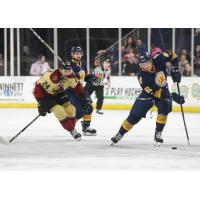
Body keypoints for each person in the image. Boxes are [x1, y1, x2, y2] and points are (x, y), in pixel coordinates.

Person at [111, 51, 185, 145]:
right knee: (135, 115)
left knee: (165, 107)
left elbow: (174, 55)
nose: (144, 66)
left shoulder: (159, 58)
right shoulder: (142, 76)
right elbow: (154, 93)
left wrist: (175, 69)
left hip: (163, 89)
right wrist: (172, 96)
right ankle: (120, 133)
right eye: (142, 64)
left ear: (151, 60)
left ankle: (158, 132)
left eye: (146, 63)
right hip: (149, 94)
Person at [33, 61, 92, 141]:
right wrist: (41, 103)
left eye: (69, 71)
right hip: (46, 96)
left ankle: (71, 129)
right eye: (65, 71)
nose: (67, 73)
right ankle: (72, 130)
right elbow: (38, 88)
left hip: (59, 94)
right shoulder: (50, 76)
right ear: (60, 70)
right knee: (59, 110)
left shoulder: (71, 76)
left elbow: (78, 88)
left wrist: (85, 100)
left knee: (70, 109)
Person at [66, 46, 100, 136]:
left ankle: (86, 127)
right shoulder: (68, 65)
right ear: (72, 54)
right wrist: (72, 75)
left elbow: (85, 76)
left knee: (89, 107)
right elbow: (63, 77)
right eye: (76, 53)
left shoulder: (83, 64)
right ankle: (71, 128)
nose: (78, 55)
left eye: (79, 53)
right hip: (70, 91)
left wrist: (93, 78)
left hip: (80, 90)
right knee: (80, 112)